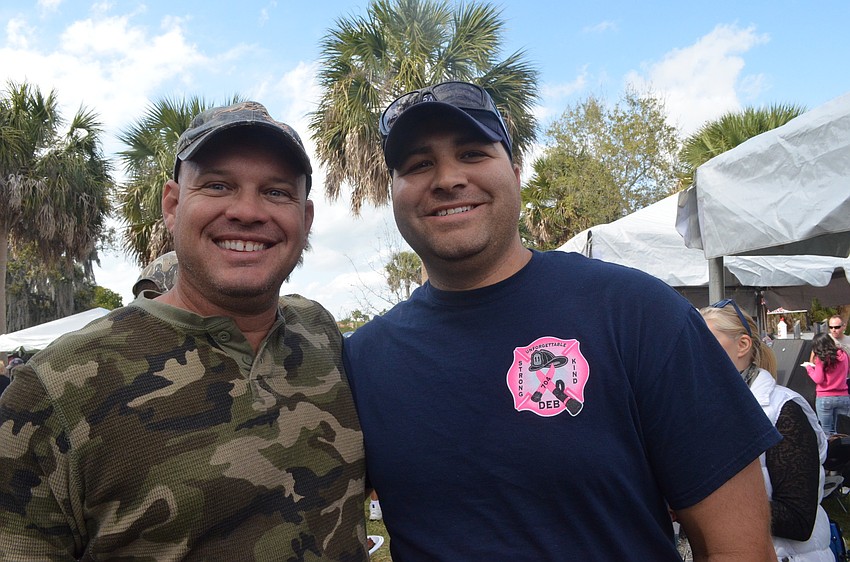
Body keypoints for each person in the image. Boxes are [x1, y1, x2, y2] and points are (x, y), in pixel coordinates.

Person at [343, 80, 781, 560]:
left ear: (514, 171)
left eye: (471, 153)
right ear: (394, 192)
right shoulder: (363, 360)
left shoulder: (636, 312)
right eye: (418, 164)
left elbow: (737, 548)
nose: (447, 178)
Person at [0, 101, 368, 560]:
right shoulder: (54, 387)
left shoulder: (322, 334)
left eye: (276, 192)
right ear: (173, 205)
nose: (248, 211)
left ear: (305, 219)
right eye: (218, 185)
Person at [701, 300, 833, 561]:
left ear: (743, 346)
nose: (695, 352)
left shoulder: (783, 409)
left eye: (706, 341)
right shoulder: (706, 407)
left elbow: (798, 519)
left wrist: (699, 503)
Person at [804, 332, 850, 436]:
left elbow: (818, 379)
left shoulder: (822, 358)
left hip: (825, 397)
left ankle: (830, 452)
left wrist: (809, 369)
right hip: (844, 396)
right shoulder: (844, 355)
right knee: (843, 431)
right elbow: (847, 371)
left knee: (826, 432)